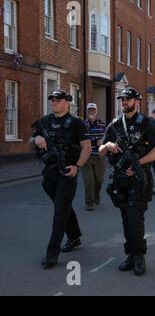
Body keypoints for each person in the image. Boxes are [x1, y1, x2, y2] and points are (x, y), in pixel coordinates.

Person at [99, 88, 155, 276]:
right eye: (122, 100)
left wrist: (139, 163)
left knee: (135, 217)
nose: (124, 103)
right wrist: (107, 146)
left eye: (127, 100)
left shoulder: (146, 123)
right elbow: (101, 153)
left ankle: (139, 256)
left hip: (138, 178)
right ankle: (130, 254)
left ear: (137, 101)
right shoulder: (114, 125)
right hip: (120, 180)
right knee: (126, 218)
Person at [30, 90, 92, 268]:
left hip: (67, 172)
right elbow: (30, 140)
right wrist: (37, 139)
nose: (54, 103)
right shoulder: (44, 121)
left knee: (59, 212)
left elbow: (86, 147)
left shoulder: (76, 123)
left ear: (67, 103)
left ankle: (51, 254)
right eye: (52, 100)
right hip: (49, 174)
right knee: (62, 206)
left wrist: (77, 167)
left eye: (58, 100)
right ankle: (74, 236)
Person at [81, 103, 107, 211]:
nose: (91, 112)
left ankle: (96, 195)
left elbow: (109, 137)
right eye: (89, 110)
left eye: (93, 110)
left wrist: (103, 141)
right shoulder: (83, 125)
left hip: (100, 156)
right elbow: (78, 139)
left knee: (99, 180)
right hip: (86, 156)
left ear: (96, 112)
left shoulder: (102, 124)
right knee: (89, 180)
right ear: (87, 112)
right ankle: (89, 202)